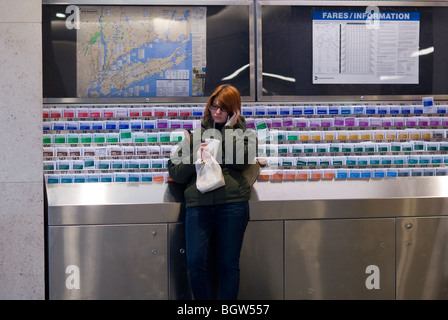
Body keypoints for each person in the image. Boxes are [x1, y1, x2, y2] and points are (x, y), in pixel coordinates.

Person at [168, 84, 257, 300]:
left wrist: (228, 131)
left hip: (233, 204)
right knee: (196, 263)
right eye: (214, 107)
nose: (216, 112)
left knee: (228, 265)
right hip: (199, 205)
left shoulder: (247, 135)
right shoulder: (193, 136)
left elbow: (243, 161)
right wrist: (196, 157)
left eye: (223, 109)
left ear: (234, 111)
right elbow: (176, 171)